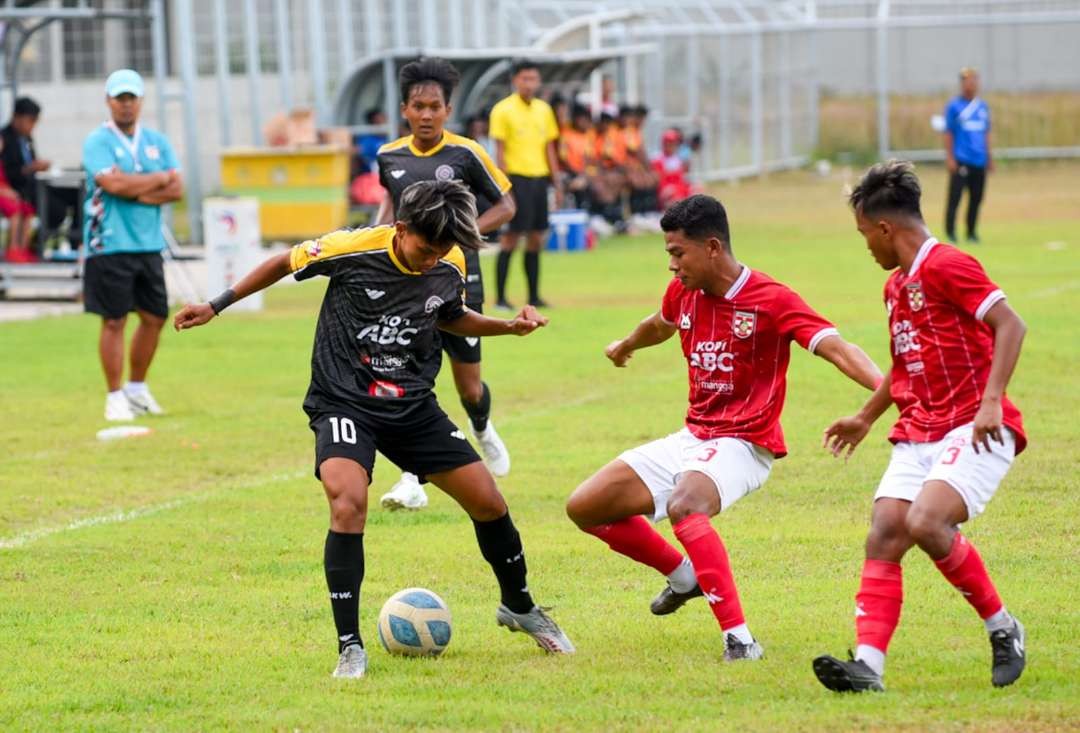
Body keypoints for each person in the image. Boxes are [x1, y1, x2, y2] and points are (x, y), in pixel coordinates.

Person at [173, 179, 574, 679]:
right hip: (343, 399)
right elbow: (283, 262)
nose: (434, 259)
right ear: (400, 228)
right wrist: (216, 304)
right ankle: (350, 646)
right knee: (348, 501)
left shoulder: (449, 262)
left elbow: (450, 316)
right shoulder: (350, 248)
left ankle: (518, 606)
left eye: (443, 250)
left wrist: (506, 327)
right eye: (426, 249)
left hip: (410, 403)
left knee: (489, 501)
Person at [565, 194, 881, 661]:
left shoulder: (771, 299)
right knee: (585, 507)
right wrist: (626, 345)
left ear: (712, 247)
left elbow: (838, 347)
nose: (672, 265)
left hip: (745, 443)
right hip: (694, 436)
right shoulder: (684, 291)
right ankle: (683, 576)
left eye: (678, 253)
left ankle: (740, 639)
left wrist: (889, 391)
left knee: (686, 505)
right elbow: (661, 323)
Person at [812, 160, 1027, 693]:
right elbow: (907, 364)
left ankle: (1004, 629)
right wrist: (865, 416)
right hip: (920, 428)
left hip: (975, 426)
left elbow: (1010, 324)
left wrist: (992, 401)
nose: (866, 247)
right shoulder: (896, 287)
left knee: (927, 523)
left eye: (865, 234)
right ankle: (868, 667)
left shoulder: (947, 265)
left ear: (885, 228)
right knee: (885, 531)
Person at [374, 58, 517, 511]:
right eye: (419, 106)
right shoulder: (389, 157)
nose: (427, 114)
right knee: (408, 374)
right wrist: (375, 247)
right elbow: (389, 208)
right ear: (405, 110)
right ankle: (410, 479)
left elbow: (506, 205)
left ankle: (481, 426)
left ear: (447, 110)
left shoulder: (466, 153)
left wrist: (462, 234)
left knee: (469, 386)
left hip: (460, 279)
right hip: (407, 283)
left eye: (435, 106)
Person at [82, 69, 183, 421]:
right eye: (119, 98)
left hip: (148, 243)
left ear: (140, 101)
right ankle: (114, 395)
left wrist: (132, 187)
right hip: (109, 242)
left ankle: (137, 389)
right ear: (108, 101)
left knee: (155, 316)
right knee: (114, 320)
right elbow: (112, 186)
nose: (125, 105)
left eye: (131, 98)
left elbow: (177, 189)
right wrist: (156, 179)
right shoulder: (98, 141)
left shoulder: (157, 140)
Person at [489, 59, 562, 310]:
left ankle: (534, 296)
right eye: (525, 79)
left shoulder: (544, 110)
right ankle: (500, 298)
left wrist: (557, 181)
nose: (529, 84)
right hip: (516, 180)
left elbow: (550, 148)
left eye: (533, 79)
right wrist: (503, 187)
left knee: (536, 238)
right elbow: (500, 151)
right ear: (515, 80)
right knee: (511, 237)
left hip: (539, 179)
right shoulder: (503, 110)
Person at [1, 96, 83, 255]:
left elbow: (31, 165)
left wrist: (38, 166)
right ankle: (35, 245)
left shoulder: (27, 139)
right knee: (56, 210)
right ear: (16, 117)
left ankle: (75, 243)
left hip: (37, 184)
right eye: (30, 120)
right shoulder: (4, 138)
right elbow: (8, 172)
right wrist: (29, 169)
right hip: (20, 189)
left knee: (76, 196)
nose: (33, 126)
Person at [944, 68, 992, 244]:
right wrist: (950, 158)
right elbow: (948, 133)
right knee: (955, 198)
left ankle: (971, 232)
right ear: (962, 84)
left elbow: (986, 133)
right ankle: (951, 232)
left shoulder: (982, 107)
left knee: (976, 198)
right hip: (961, 160)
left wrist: (989, 158)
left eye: (973, 80)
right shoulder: (954, 106)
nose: (970, 84)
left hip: (979, 160)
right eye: (966, 81)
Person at [0, 137, 35, 262]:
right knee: (15, 211)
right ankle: (13, 248)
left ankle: (23, 248)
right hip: (2, 195)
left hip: (5, 193)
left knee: (28, 209)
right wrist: (7, 192)